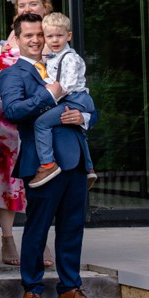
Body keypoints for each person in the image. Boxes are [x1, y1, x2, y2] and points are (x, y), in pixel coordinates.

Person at [0, 12, 102, 298]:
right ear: (17, 39)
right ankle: (32, 288)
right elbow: (13, 112)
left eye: (39, 34)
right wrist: (47, 94)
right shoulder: (12, 73)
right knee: (38, 227)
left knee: (72, 227)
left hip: (75, 159)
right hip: (42, 165)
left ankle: (70, 288)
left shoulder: (63, 62)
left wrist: (83, 117)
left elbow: (89, 106)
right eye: (28, 35)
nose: (36, 40)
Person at [0, 0, 52, 267]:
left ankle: (39, 238)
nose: (27, 8)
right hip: (6, 123)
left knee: (40, 180)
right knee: (7, 181)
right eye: (21, 5)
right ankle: (7, 238)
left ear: (45, 7)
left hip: (42, 120)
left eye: (33, 4)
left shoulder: (53, 35)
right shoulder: (10, 40)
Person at [33, 11, 97, 188]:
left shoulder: (70, 58)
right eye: (50, 36)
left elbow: (66, 86)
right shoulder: (54, 57)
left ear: (68, 36)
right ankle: (89, 167)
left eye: (59, 36)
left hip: (75, 98)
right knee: (78, 130)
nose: (54, 40)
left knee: (41, 123)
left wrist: (49, 96)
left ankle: (47, 164)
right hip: (75, 98)